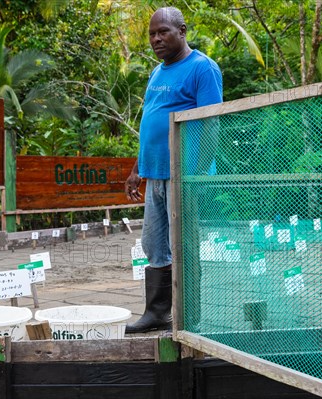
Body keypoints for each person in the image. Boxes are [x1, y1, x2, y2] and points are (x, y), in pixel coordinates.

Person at [125, 6, 223, 333]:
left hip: (183, 173)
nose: (156, 39)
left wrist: (194, 175)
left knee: (184, 243)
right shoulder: (157, 72)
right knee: (154, 245)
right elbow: (150, 121)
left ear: (182, 31)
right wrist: (137, 168)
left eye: (163, 32)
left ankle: (189, 316)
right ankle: (157, 313)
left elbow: (211, 125)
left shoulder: (202, 69)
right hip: (154, 174)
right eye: (152, 33)